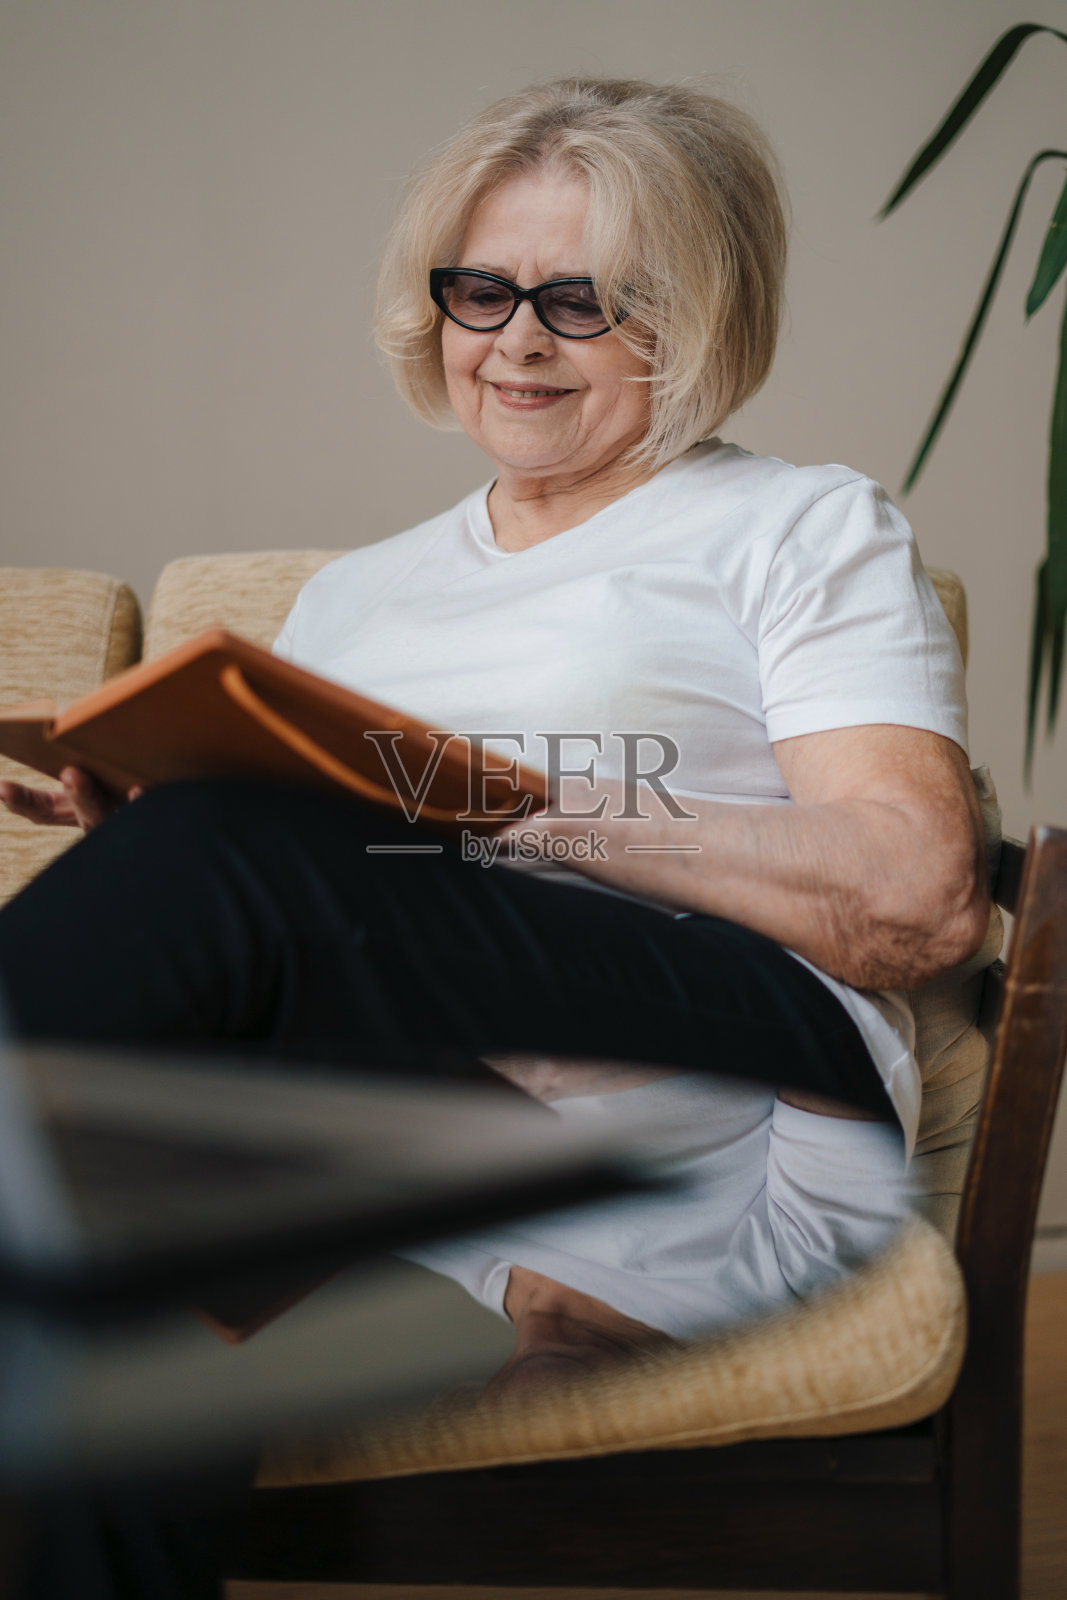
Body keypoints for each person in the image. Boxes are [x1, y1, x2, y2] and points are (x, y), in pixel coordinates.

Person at [0, 76, 988, 1593]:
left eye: (582, 301)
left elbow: (916, 899)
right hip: (444, 1078)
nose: (516, 338)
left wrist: (489, 802)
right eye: (483, 290)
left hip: (744, 1061)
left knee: (238, 873)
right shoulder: (358, 599)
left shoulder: (799, 527)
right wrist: (179, 820)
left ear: (696, 312)